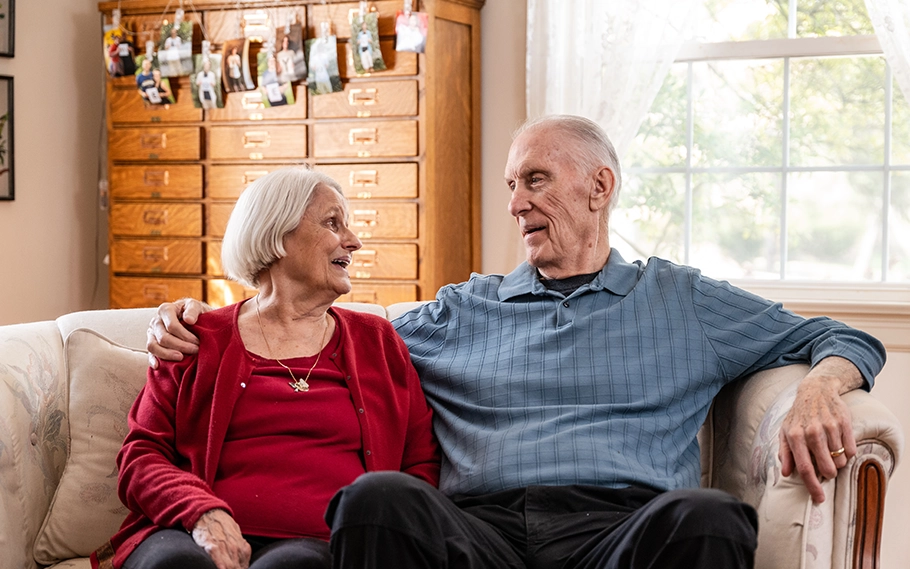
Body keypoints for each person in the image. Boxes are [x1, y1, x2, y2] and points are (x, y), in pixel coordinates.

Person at [147, 115, 886, 569]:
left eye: (536, 179)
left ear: (600, 187)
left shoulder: (680, 299)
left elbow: (841, 334)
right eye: (509, 185)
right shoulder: (461, 309)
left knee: (711, 517)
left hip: (619, 529)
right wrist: (194, 322)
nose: (515, 204)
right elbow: (317, 328)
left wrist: (818, 387)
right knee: (377, 498)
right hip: (477, 534)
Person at [95, 168, 439, 569]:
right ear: (277, 234)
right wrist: (201, 512)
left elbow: (420, 465)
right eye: (333, 223)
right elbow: (141, 454)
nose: (354, 241)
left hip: (319, 543)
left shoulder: (376, 341)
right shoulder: (195, 337)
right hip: (189, 530)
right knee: (173, 565)